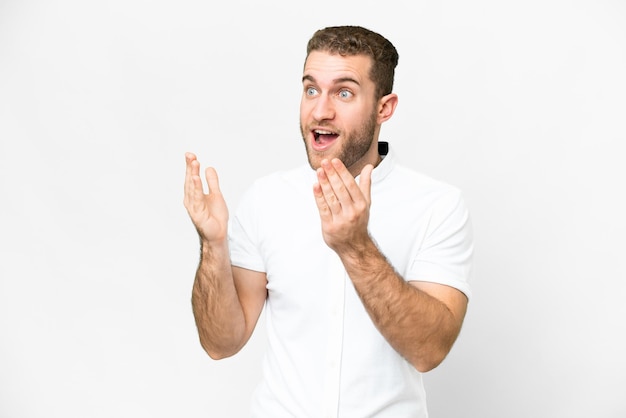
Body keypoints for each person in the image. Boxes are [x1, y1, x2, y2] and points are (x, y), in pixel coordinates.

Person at [184, 25, 473, 418]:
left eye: (344, 92)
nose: (320, 110)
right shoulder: (266, 200)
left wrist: (355, 246)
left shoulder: (437, 206)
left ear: (384, 108)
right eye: (311, 89)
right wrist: (212, 245)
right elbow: (221, 343)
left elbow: (428, 349)